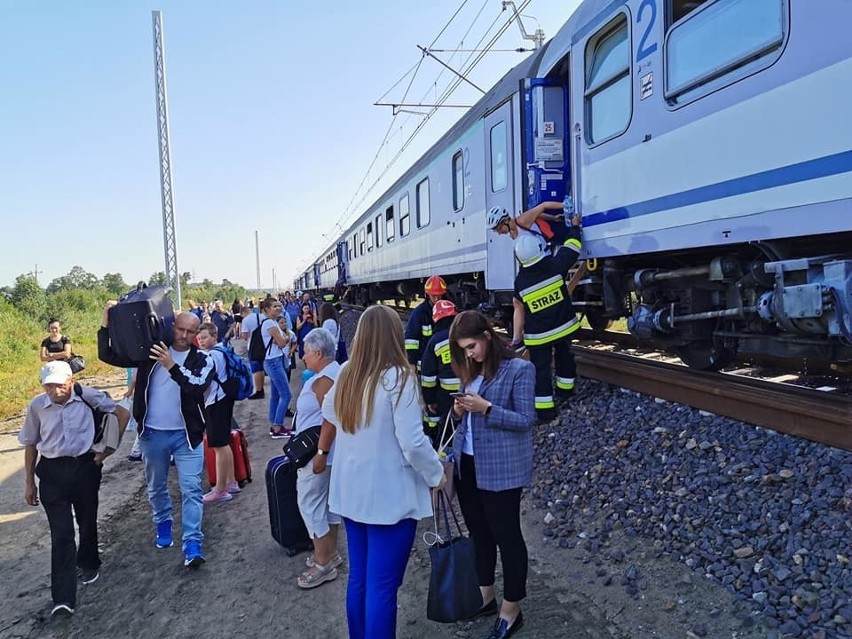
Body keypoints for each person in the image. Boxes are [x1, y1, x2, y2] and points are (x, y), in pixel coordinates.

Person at [321, 305, 446, 639]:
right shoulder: (399, 377)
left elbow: (328, 409)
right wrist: (438, 475)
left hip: (351, 493)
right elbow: (413, 442)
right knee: (383, 588)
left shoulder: (347, 371)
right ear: (395, 336)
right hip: (388, 499)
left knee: (360, 579)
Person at [98, 305, 215, 568]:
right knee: (156, 486)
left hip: (187, 437)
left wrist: (171, 365)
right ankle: (163, 523)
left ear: (197, 333)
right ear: (171, 326)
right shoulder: (150, 353)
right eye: (180, 329)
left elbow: (195, 386)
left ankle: (193, 544)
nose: (183, 335)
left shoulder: (204, 360)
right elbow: (108, 354)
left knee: (192, 489)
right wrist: (105, 326)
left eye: (190, 331)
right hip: (152, 434)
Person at [447, 310, 536, 639]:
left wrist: (487, 409)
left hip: (501, 470)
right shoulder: (470, 371)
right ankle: (485, 596)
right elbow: (463, 424)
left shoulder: (520, 369)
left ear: (487, 336)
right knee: (478, 534)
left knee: (507, 537)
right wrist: (458, 412)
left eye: (471, 346)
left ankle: (511, 610)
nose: (468, 354)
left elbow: (527, 420)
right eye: (463, 349)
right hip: (467, 465)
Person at [19, 361, 127, 617]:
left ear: (70, 382)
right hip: (52, 473)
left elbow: (122, 414)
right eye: (48, 386)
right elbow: (31, 443)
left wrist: (106, 451)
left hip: (84, 468)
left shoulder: (86, 396)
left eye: (59, 385)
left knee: (87, 519)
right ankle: (63, 597)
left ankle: (88, 562)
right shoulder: (37, 406)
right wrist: (28, 481)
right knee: (62, 533)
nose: (54, 390)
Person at [513, 220, 582, 421]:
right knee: (565, 358)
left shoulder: (520, 283)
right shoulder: (554, 266)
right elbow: (572, 248)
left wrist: (517, 339)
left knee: (541, 372)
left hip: (538, 336)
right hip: (562, 327)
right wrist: (574, 227)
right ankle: (565, 392)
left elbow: (519, 309)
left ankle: (545, 412)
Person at [293, 328, 342, 589]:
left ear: (319, 353)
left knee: (310, 504)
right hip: (334, 453)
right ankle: (330, 554)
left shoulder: (323, 380)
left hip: (319, 453)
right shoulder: (338, 371)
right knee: (330, 506)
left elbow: (330, 419)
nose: (303, 357)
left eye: (307, 352)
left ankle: (323, 564)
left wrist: (321, 453)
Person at [196, 323, 239, 504]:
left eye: (205, 337)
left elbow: (201, 381)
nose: (201, 341)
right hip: (224, 399)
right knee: (224, 442)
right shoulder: (222, 351)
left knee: (219, 446)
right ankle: (231, 482)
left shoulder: (211, 356)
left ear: (214, 336)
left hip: (215, 402)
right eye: (199, 338)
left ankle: (220, 489)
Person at [420, 299, 460, 441]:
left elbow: (428, 377)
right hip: (471, 391)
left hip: (446, 395)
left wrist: (429, 399)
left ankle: (442, 448)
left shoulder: (435, 341)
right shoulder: (465, 335)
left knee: (446, 428)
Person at [262, 301, 293, 439]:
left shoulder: (273, 322)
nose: (278, 308)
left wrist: (283, 338)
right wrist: (284, 338)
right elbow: (282, 342)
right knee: (286, 395)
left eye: (279, 306)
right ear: (267, 309)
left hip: (276, 360)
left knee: (276, 395)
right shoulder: (269, 323)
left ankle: (274, 424)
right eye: (274, 306)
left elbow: (283, 339)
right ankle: (277, 427)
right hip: (273, 362)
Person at [405, 275, 447, 371]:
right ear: (427, 295)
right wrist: (412, 363)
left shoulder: (448, 312)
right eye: (434, 296)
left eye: (439, 295)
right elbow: (411, 340)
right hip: (425, 365)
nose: (437, 299)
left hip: (443, 365)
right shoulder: (419, 313)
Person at [240, 298, 270, 400]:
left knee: (256, 369)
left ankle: (259, 390)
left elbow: (244, 336)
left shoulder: (245, 320)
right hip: (264, 345)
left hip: (253, 346)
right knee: (262, 368)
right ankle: (261, 388)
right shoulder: (262, 316)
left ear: (243, 313)